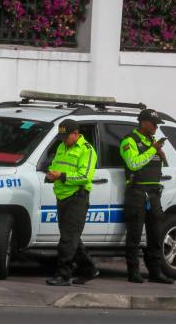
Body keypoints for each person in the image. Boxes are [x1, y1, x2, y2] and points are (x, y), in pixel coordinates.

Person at [120, 109, 174, 284]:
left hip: (153, 194)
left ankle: (155, 272)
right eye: (154, 124)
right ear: (143, 122)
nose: (156, 127)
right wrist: (153, 150)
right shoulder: (129, 141)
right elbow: (134, 164)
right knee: (134, 235)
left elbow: (160, 166)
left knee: (156, 235)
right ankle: (133, 272)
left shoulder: (152, 142)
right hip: (137, 193)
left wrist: (160, 154)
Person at [45, 120, 99, 286]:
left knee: (67, 240)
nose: (63, 140)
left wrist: (61, 176)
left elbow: (85, 177)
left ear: (76, 134)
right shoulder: (62, 147)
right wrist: (50, 175)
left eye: (66, 136)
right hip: (62, 196)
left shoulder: (87, 150)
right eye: (61, 137)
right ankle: (89, 269)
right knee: (71, 238)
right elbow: (55, 165)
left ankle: (63, 275)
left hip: (77, 197)